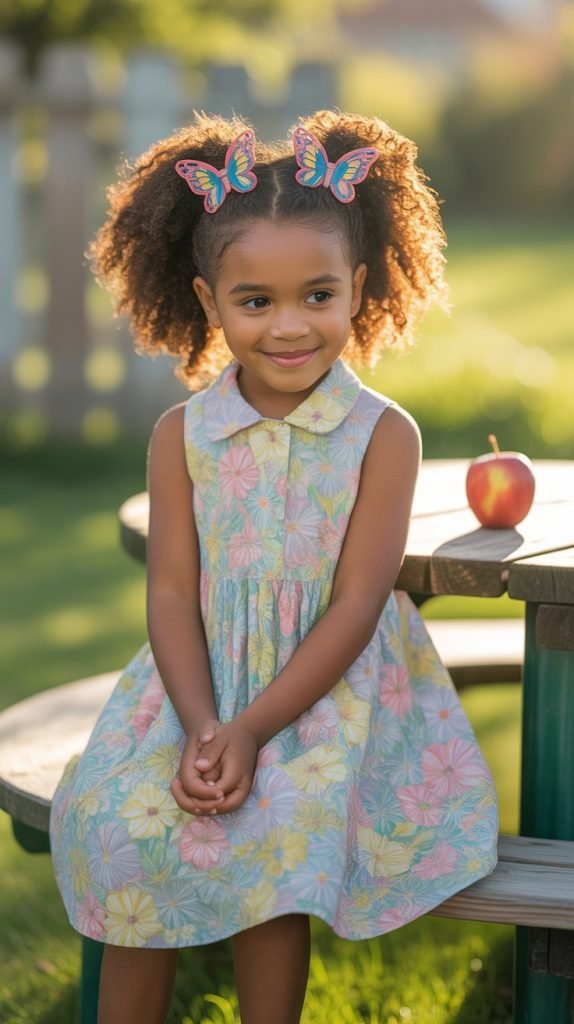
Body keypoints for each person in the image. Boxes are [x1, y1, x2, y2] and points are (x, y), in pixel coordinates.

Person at [49, 109, 498, 1024]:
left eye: (318, 295)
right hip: (193, 688)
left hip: (330, 701)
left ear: (359, 288)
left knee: (277, 836)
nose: (290, 326)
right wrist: (206, 725)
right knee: (115, 828)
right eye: (256, 301)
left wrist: (255, 730)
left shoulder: (383, 434)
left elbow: (360, 600)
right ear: (211, 302)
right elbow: (172, 592)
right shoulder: (183, 434)